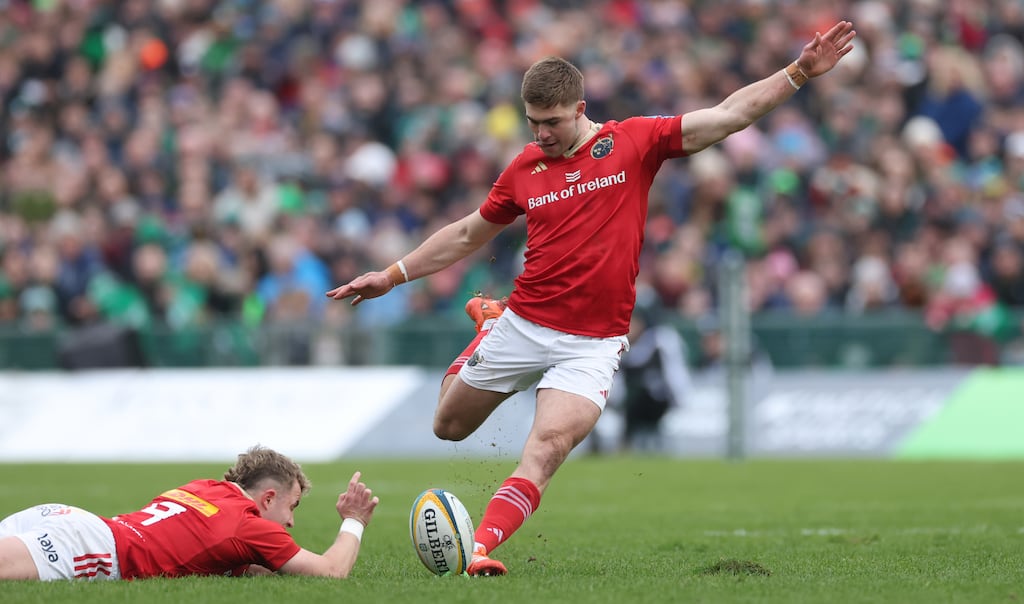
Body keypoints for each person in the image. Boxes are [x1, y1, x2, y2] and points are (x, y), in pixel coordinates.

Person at [327, 21, 856, 576]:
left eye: (552, 123)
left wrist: (798, 72)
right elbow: (467, 234)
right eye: (534, 123)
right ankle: (487, 328)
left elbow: (726, 117)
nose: (543, 134)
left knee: (549, 445)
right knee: (449, 426)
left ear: (581, 108)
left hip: (594, 343)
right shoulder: (525, 168)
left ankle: (479, 549)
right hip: (525, 323)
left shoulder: (632, 142)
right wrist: (391, 275)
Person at [0, 445, 378, 581]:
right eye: (290, 506)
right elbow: (331, 571)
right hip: (92, 548)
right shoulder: (249, 525)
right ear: (267, 498)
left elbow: (211, 550)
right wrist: (354, 520)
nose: (291, 522)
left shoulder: (204, 488)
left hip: (68, 519)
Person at [617, 302, 693, 453]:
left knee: (639, 395)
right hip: (627, 402)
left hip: (659, 398)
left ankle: (628, 444)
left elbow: (675, 371)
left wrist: (681, 398)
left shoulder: (660, 340)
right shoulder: (619, 343)